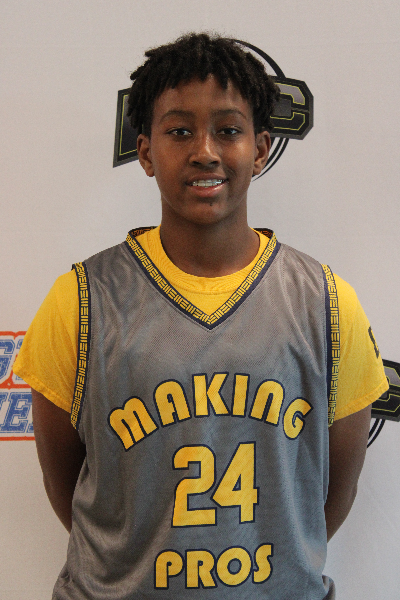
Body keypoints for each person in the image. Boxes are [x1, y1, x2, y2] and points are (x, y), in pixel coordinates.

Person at [14, 33, 388, 599]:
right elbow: (65, 482)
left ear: (261, 149)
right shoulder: (81, 300)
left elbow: (331, 495)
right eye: (180, 131)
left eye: (229, 130)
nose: (205, 151)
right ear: (145, 152)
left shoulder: (327, 303)